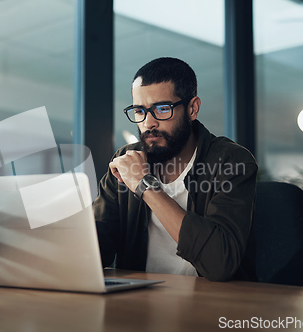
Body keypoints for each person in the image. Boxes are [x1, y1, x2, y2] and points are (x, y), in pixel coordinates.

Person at [93, 57, 258, 281]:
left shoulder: (230, 161)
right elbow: (95, 250)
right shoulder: (127, 160)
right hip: (137, 301)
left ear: (192, 108)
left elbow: (220, 262)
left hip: (208, 303)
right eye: (140, 111)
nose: (148, 123)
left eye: (162, 109)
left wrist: (144, 185)